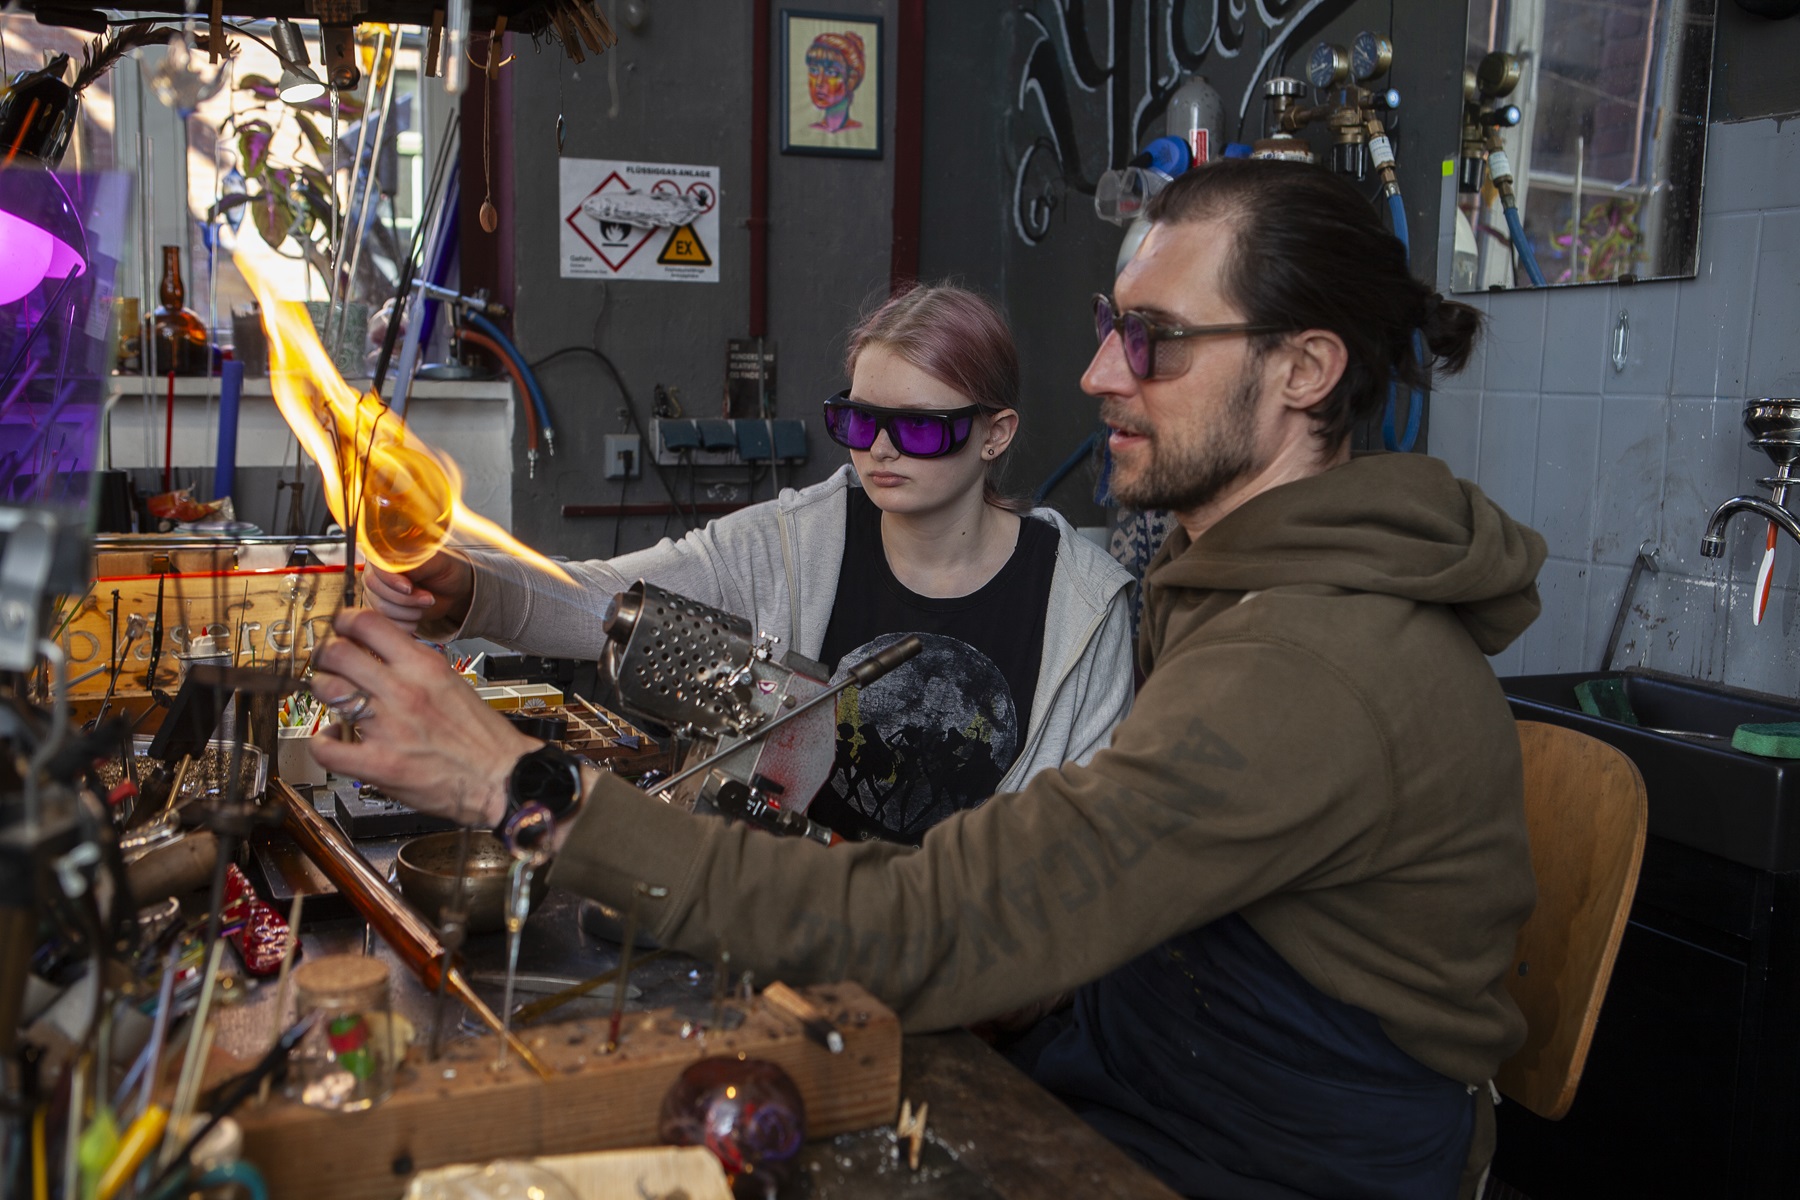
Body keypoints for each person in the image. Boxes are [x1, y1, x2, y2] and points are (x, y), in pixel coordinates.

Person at [313, 159, 1545, 1200]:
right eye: (1113, 327)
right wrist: (469, 592)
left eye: (1154, 341)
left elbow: (955, 920)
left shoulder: (1299, 661)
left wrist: (520, 783)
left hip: (1247, 1154)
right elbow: (618, 607)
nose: (1100, 373)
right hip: (1130, 1067)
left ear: (1303, 371)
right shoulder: (1229, 590)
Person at [365, 284, 1137, 845]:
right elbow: (609, 599)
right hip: (791, 921)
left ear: (995, 435)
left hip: (971, 960)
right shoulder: (794, 541)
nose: (880, 449)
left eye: (920, 430)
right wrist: (470, 587)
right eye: (858, 420)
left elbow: (1090, 842)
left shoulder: (1083, 604)